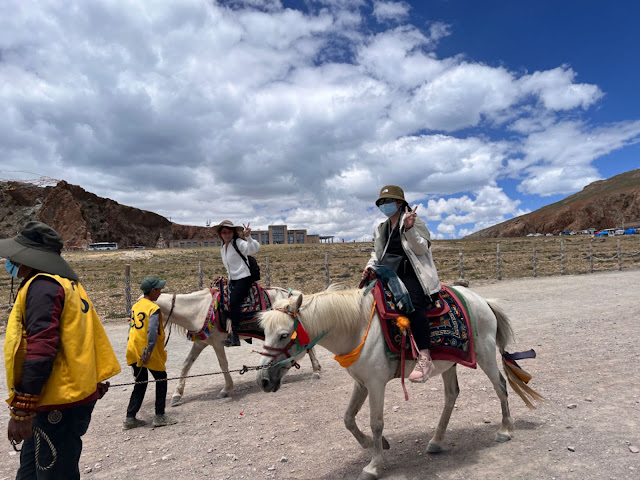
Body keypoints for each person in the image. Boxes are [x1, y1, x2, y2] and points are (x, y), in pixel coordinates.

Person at [1, 221, 121, 479]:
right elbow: (82, 340)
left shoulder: (43, 287)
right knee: (33, 471)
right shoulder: (68, 285)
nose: (12, 260)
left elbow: (41, 348)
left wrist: (22, 408)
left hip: (56, 401)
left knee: (54, 472)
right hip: (67, 397)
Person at [362, 185, 441, 383]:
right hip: (387, 273)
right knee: (363, 299)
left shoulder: (415, 221)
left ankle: (424, 355)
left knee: (413, 304)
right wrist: (370, 266)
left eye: (387, 202)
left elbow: (422, 249)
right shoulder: (382, 228)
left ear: (399, 203)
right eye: (381, 203)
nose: (384, 206)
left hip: (412, 273)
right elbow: (378, 254)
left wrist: (409, 228)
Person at [123, 276, 177, 430]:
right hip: (147, 352)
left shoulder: (136, 306)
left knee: (140, 383)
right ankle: (159, 416)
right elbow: (152, 332)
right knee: (161, 379)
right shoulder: (152, 308)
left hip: (133, 349)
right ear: (152, 291)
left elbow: (131, 328)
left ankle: (130, 418)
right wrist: (148, 352)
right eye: (159, 290)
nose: (160, 293)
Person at [211, 220, 259, 347]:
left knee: (233, 301)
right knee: (222, 300)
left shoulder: (238, 243)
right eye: (224, 232)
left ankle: (235, 337)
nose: (227, 234)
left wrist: (248, 236)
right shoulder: (223, 248)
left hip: (244, 278)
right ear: (221, 234)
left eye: (229, 232)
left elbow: (253, 249)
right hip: (233, 280)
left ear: (233, 232)